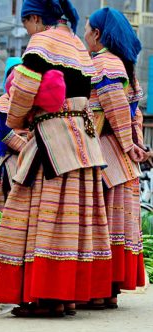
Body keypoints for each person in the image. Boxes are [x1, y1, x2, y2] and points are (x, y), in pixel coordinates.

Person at [0, 0, 112, 317]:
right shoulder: (77, 45)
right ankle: (67, 296)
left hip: (52, 138)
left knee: (43, 213)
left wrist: (17, 119)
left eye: (26, 23)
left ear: (34, 18)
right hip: (82, 139)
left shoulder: (41, 42)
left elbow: (25, 89)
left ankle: (47, 297)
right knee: (73, 218)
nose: (26, 30)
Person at [84, 7, 147, 308]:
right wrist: (136, 146)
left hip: (105, 153)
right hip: (123, 159)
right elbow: (134, 116)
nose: (84, 35)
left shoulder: (104, 65)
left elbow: (116, 112)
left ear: (97, 34)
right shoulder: (125, 66)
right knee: (115, 225)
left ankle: (98, 291)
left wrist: (128, 144)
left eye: (87, 29)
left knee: (101, 224)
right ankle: (108, 291)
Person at [0, 57, 28, 211]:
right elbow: (6, 135)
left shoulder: (28, 102)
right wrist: (30, 149)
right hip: (10, 159)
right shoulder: (3, 103)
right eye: (14, 74)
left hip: (28, 156)